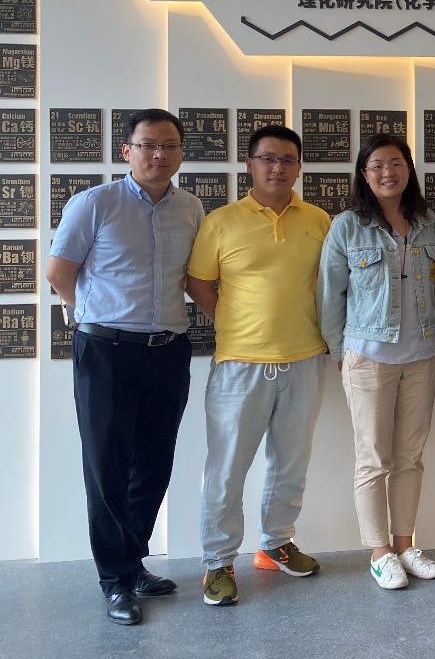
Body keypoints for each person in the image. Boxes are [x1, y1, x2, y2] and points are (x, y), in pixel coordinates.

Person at [46, 109, 204, 626]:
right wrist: (92, 315)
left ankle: (132, 564)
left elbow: (193, 277)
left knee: (154, 464)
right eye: (148, 145)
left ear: (180, 153)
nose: (159, 154)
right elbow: (58, 272)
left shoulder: (191, 208)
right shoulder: (95, 203)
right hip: (106, 352)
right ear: (127, 151)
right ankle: (115, 579)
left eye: (170, 146)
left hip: (168, 350)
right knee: (107, 466)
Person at [186, 125, 332, 607]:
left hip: (305, 359)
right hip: (239, 365)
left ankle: (276, 544)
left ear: (298, 167)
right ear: (249, 164)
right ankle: (217, 560)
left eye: (288, 160)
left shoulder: (318, 220)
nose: (277, 167)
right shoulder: (221, 222)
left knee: (291, 464)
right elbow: (198, 282)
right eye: (267, 158)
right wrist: (231, 320)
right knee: (226, 469)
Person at [317, 134, 435, 590]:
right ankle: (379, 552)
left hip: (423, 355)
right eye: (376, 166)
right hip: (369, 355)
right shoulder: (347, 226)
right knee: (373, 458)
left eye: (395, 163)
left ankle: (406, 545)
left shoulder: (426, 220)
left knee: (410, 456)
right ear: (364, 174)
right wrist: (341, 353)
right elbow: (329, 295)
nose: (387, 172)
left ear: (408, 168)